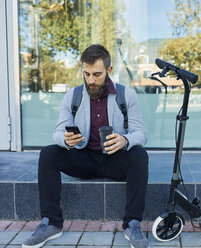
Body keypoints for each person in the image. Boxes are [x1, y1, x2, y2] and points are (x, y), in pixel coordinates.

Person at [22, 44, 149, 248]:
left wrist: (125, 140)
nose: (91, 80)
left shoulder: (128, 95)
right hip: (84, 158)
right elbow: (57, 132)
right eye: (87, 74)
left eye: (97, 74)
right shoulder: (73, 96)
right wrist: (64, 140)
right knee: (48, 154)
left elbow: (141, 134)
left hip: (115, 159)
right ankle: (51, 223)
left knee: (139, 155)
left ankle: (132, 224)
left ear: (109, 70)